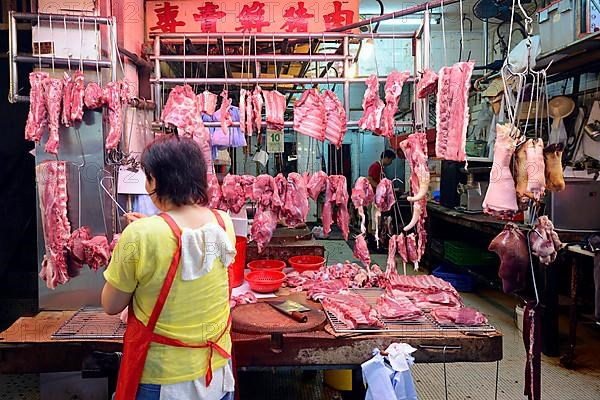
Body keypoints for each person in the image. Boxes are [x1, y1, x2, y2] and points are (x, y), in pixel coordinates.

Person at [102, 135, 237, 400]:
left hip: (163, 380)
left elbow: (111, 304)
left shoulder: (141, 235)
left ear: (155, 180)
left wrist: (138, 236)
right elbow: (185, 239)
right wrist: (150, 227)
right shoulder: (223, 223)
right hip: (218, 374)